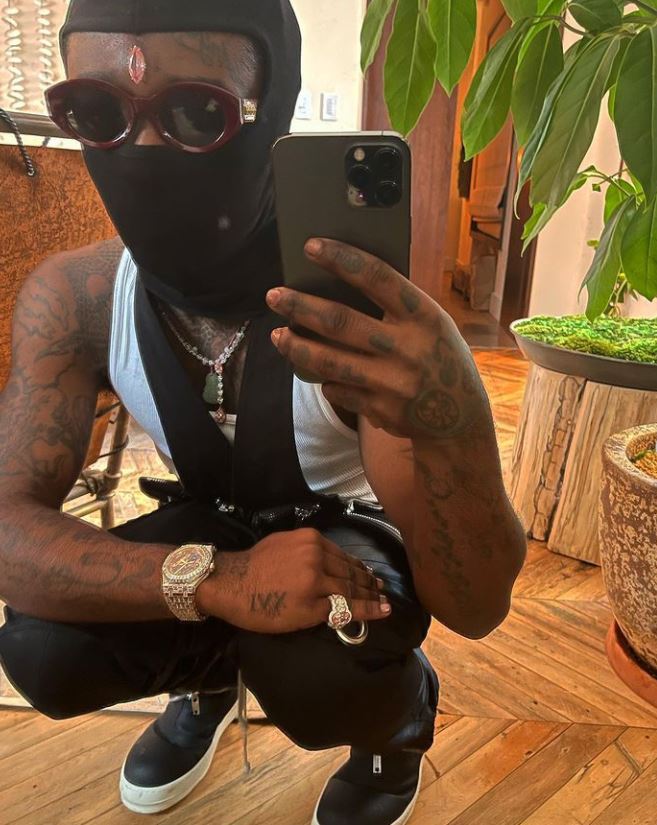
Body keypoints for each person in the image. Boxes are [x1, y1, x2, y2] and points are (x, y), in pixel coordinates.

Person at [0, 2, 527, 823]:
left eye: (193, 113)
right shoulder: (79, 297)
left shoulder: (350, 306)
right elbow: (6, 524)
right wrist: (219, 583)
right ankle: (207, 677)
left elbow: (475, 605)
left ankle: (395, 727)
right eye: (96, 112)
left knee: (323, 674)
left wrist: (454, 421)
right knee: (42, 645)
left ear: (270, 111)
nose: (141, 151)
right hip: (207, 519)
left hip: (341, 531)